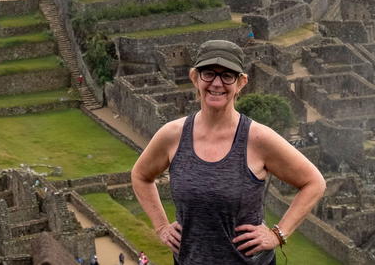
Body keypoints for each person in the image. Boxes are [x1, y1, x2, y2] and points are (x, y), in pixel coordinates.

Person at [131, 40, 326, 264]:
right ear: (195, 77)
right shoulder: (173, 135)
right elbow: (140, 175)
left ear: (241, 82)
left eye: (227, 76)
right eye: (208, 73)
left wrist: (278, 234)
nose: (217, 83)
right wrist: (161, 227)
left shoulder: (257, 138)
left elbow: (314, 182)